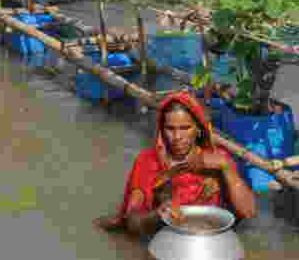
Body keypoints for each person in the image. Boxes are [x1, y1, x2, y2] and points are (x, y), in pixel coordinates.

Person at [96, 91, 256, 235]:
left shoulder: (218, 159)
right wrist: (156, 215)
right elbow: (132, 221)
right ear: (161, 130)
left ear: (198, 129)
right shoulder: (148, 162)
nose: (177, 136)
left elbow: (248, 212)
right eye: (170, 129)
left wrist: (227, 168)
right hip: (167, 241)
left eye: (185, 128)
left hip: (209, 239)